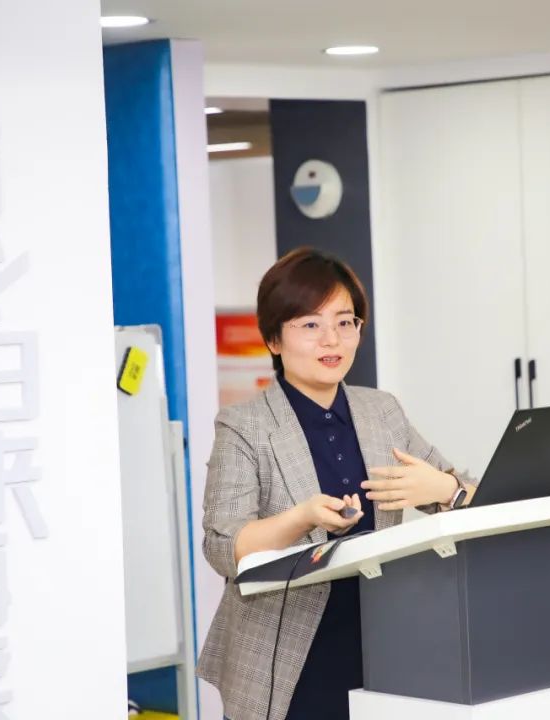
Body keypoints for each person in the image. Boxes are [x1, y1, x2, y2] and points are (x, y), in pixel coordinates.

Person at [198, 247, 476, 720]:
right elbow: (223, 547)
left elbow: (473, 493)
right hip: (284, 656)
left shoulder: (381, 411)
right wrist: (301, 518)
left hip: (380, 640)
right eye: (310, 324)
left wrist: (445, 491)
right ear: (274, 339)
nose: (332, 339)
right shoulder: (244, 425)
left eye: (345, 322)